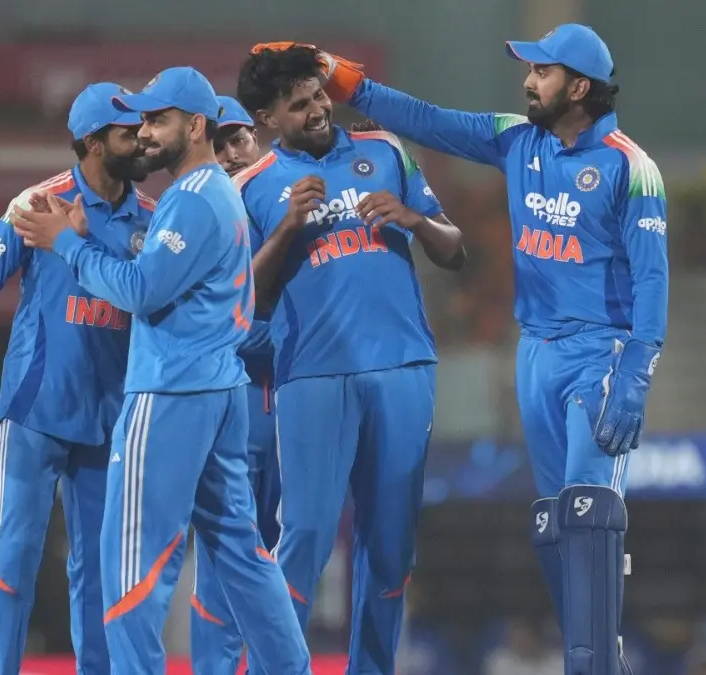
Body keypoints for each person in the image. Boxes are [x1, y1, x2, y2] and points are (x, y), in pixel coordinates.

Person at [252, 24, 667, 675]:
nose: (528, 82)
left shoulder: (628, 164)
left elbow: (652, 274)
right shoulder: (517, 138)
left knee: (589, 513)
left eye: (542, 73)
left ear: (578, 86)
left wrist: (640, 365)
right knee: (557, 525)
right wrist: (344, 75)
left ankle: (592, 664)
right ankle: (591, 649)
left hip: (599, 353)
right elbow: (428, 119)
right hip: (535, 354)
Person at [8, 66, 311, 675]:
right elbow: (166, 274)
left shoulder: (196, 199)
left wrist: (62, 244)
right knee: (241, 554)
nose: (145, 133)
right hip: (217, 389)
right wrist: (91, 236)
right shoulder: (206, 195)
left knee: (131, 562)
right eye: (142, 120)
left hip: (171, 392)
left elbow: (142, 291)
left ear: (195, 126)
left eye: (158, 120)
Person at [234, 45, 465, 675]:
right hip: (312, 376)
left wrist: (414, 219)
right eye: (297, 105)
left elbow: (454, 249)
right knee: (303, 541)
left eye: (317, 96)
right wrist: (285, 229)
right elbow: (238, 302)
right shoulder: (249, 189)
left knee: (390, 549)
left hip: (403, 367)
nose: (316, 111)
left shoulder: (385, 150)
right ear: (266, 119)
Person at [0, 81, 153, 675]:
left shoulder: (154, 217)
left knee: (98, 575)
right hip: (36, 411)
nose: (139, 140)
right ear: (91, 142)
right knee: (14, 556)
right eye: (125, 133)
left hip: (110, 422)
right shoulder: (37, 204)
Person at [189, 93, 281, 674]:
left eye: (238, 138)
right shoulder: (200, 218)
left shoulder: (287, 200)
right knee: (222, 557)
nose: (229, 152)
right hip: (234, 407)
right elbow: (222, 329)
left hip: (292, 411)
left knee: (287, 555)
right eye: (217, 142)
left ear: (259, 138)